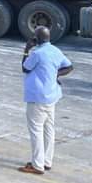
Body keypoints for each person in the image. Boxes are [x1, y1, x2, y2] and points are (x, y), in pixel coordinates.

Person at [19, 26, 74, 175]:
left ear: (36, 39)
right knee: (49, 129)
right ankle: (46, 161)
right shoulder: (56, 51)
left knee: (36, 130)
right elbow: (69, 67)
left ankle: (37, 165)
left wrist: (26, 49)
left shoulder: (37, 53)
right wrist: (56, 75)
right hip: (52, 96)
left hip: (38, 97)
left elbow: (25, 68)